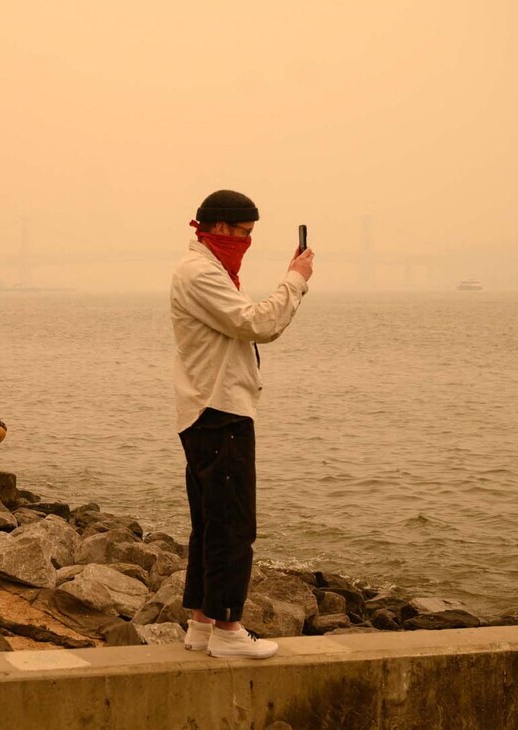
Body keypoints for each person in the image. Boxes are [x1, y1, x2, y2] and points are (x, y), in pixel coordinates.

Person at [170, 190, 314, 659]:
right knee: (233, 525)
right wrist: (295, 280)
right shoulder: (201, 273)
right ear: (221, 229)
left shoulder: (210, 271)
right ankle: (230, 630)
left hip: (207, 409)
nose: (248, 243)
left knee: (211, 524)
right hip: (220, 409)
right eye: (245, 234)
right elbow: (257, 324)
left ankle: (202, 623)